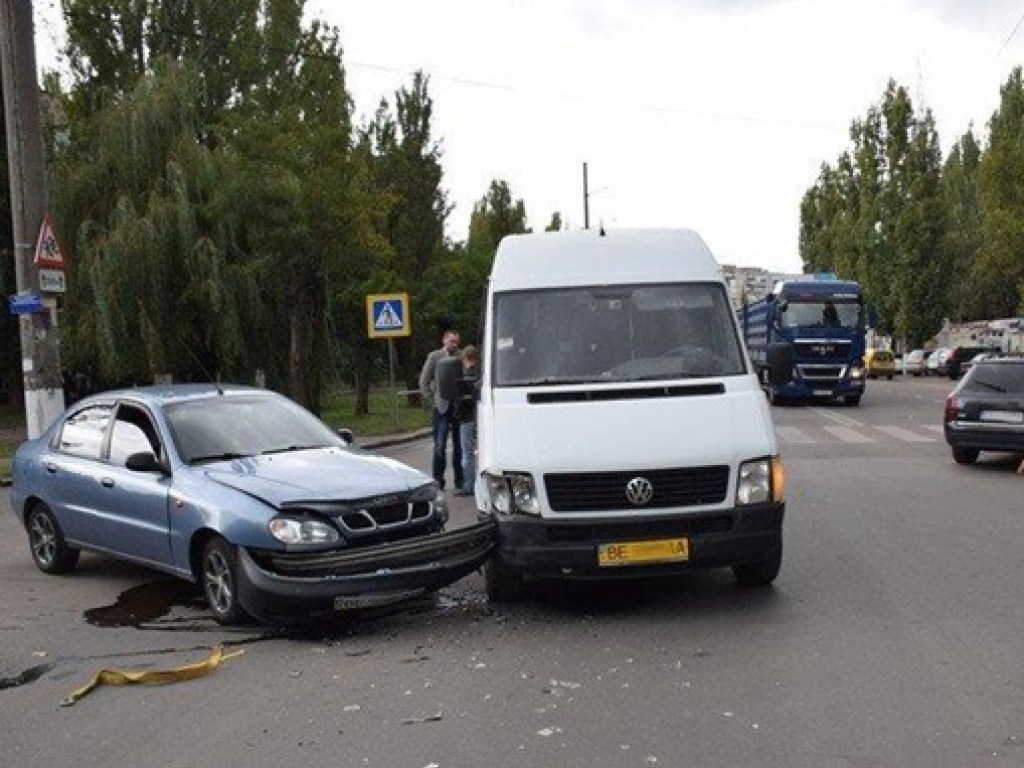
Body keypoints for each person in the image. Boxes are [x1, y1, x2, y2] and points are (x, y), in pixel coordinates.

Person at [418, 329, 464, 490]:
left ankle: (461, 481)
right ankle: (438, 480)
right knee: (440, 445)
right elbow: (424, 382)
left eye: (456, 342)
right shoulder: (435, 357)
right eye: (451, 341)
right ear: (444, 340)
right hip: (441, 407)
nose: (454, 345)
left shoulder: (461, 356)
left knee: (460, 446)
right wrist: (433, 402)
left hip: (459, 407)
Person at [452, 345, 479, 496]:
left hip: (467, 419)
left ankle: (469, 485)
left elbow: (460, 399)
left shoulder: (462, 375)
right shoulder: (484, 373)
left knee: (467, 454)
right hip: (481, 417)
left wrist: (457, 413)